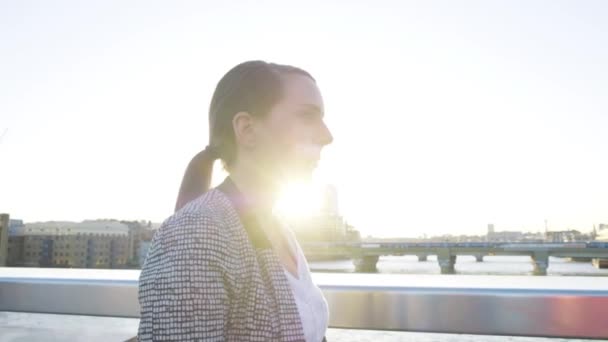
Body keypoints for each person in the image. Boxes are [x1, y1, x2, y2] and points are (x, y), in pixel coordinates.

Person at [137, 60, 334, 341]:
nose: (327, 136)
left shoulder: (278, 227)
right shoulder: (195, 234)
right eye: (307, 116)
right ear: (246, 129)